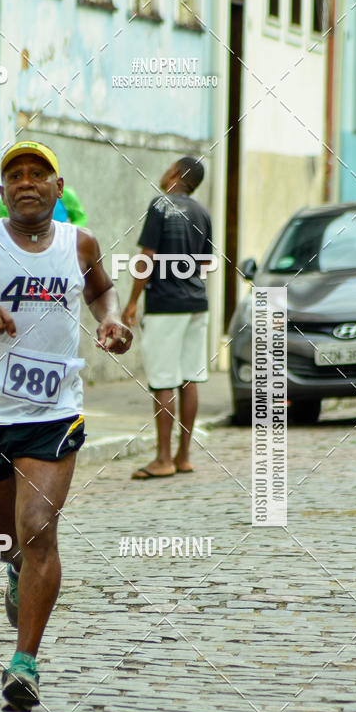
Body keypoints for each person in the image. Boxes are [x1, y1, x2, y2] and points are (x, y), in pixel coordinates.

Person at [0, 140, 132, 712]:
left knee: (38, 528)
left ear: (59, 189)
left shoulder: (78, 243)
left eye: (40, 174)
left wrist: (111, 320)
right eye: (16, 176)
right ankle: (13, 568)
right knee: (7, 539)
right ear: (4, 190)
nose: (27, 183)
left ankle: (24, 663)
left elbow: (102, 289)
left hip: (53, 413)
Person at [122, 156, 213, 479]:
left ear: (175, 173)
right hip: (197, 303)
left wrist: (132, 302)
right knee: (189, 379)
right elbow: (204, 263)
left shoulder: (159, 206)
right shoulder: (202, 212)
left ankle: (162, 459)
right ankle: (183, 456)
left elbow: (147, 258)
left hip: (165, 305)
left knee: (163, 380)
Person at [0, 184, 88, 226]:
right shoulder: (7, 201)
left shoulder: (65, 194)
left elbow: (80, 218)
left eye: (37, 174)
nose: (27, 182)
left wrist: (68, 233)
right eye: (17, 176)